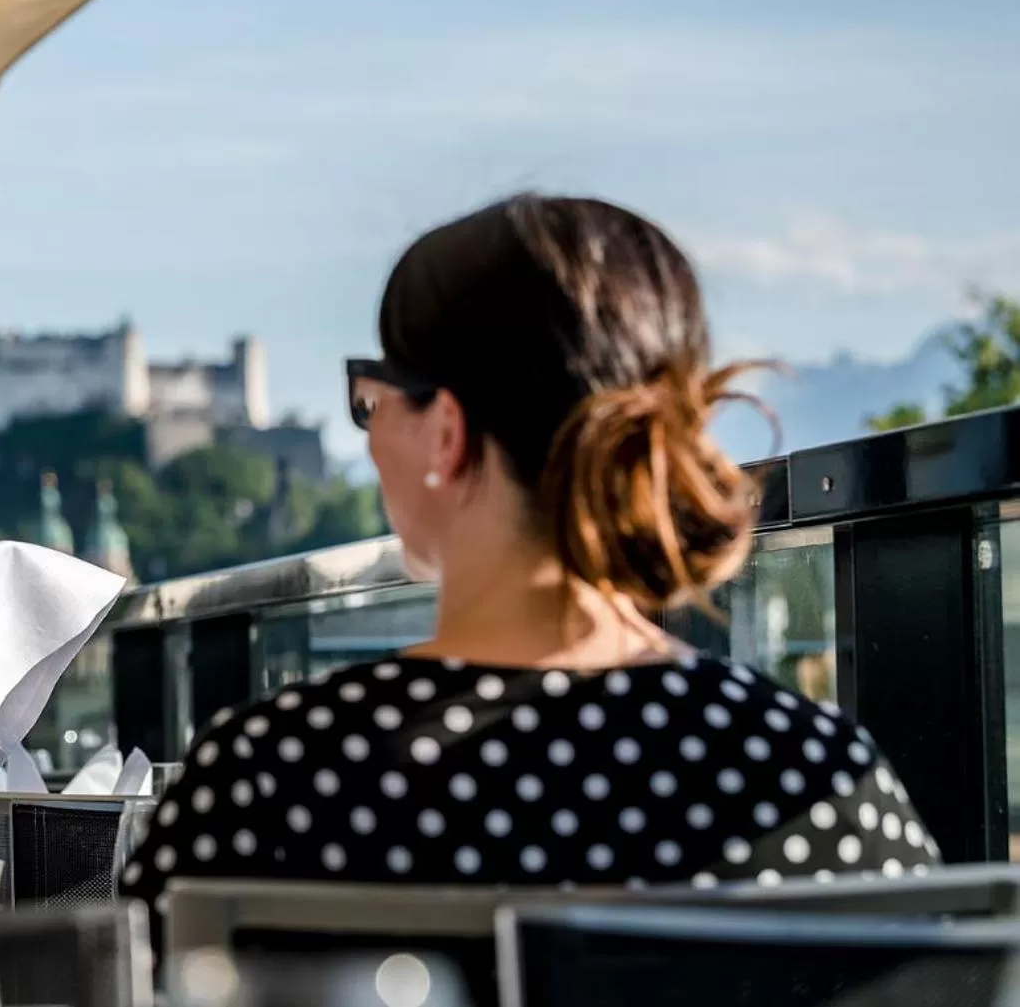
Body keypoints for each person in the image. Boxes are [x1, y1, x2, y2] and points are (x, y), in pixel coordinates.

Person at [123, 195, 935, 908]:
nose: (366, 436)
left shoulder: (269, 779)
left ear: (445, 430)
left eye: (372, 398)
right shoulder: (806, 776)